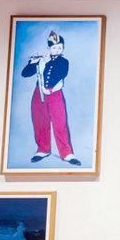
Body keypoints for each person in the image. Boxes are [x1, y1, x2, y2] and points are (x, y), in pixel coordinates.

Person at [21, 31, 81, 166]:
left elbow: (61, 75)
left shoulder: (64, 62)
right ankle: (43, 149)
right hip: (38, 94)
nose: (57, 50)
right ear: (49, 48)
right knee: (40, 121)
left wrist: (48, 86)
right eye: (54, 47)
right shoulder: (42, 60)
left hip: (54, 92)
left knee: (60, 122)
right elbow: (25, 74)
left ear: (63, 48)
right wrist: (33, 63)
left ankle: (67, 153)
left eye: (60, 47)